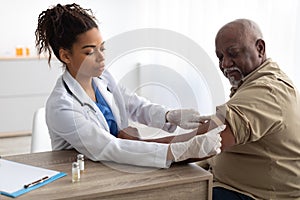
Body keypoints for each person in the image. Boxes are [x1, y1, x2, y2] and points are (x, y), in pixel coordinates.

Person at [35, 3, 224, 169]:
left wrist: (169, 116)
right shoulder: (61, 105)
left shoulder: (103, 79)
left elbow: (134, 105)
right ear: (66, 56)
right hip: (84, 175)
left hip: (114, 165)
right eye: (90, 52)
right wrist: (175, 152)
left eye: (102, 48)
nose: (101, 58)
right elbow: (108, 147)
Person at [198, 19, 300, 200]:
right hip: (234, 186)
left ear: (260, 48)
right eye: (220, 57)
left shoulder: (267, 92)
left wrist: (144, 145)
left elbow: (207, 142)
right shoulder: (252, 83)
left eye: (233, 53)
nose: (225, 64)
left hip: (254, 195)